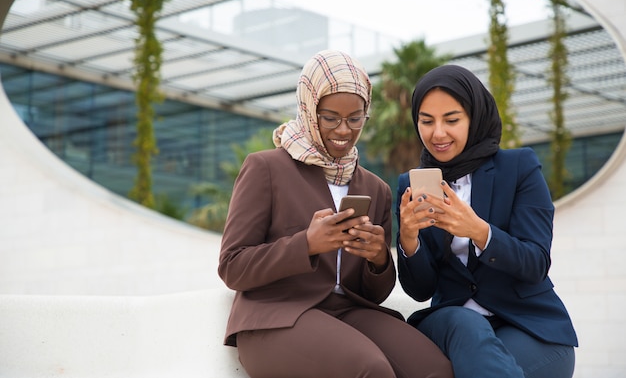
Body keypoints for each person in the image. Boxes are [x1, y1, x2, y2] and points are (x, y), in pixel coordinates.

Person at [218, 50, 454, 378]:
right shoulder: (266, 168)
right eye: (330, 118)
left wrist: (378, 260)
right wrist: (307, 244)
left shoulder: (375, 188)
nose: (344, 130)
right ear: (309, 109)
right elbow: (232, 266)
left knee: (434, 369)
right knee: (371, 370)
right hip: (276, 318)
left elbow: (376, 292)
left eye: (355, 119)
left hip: (348, 312)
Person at [396, 64, 578, 378]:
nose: (437, 133)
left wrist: (479, 232)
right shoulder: (410, 185)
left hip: (527, 324)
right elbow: (420, 290)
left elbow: (535, 263)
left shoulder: (519, 167)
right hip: (452, 322)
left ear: (474, 117)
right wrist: (409, 241)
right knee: (466, 323)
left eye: (451, 120)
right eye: (426, 121)